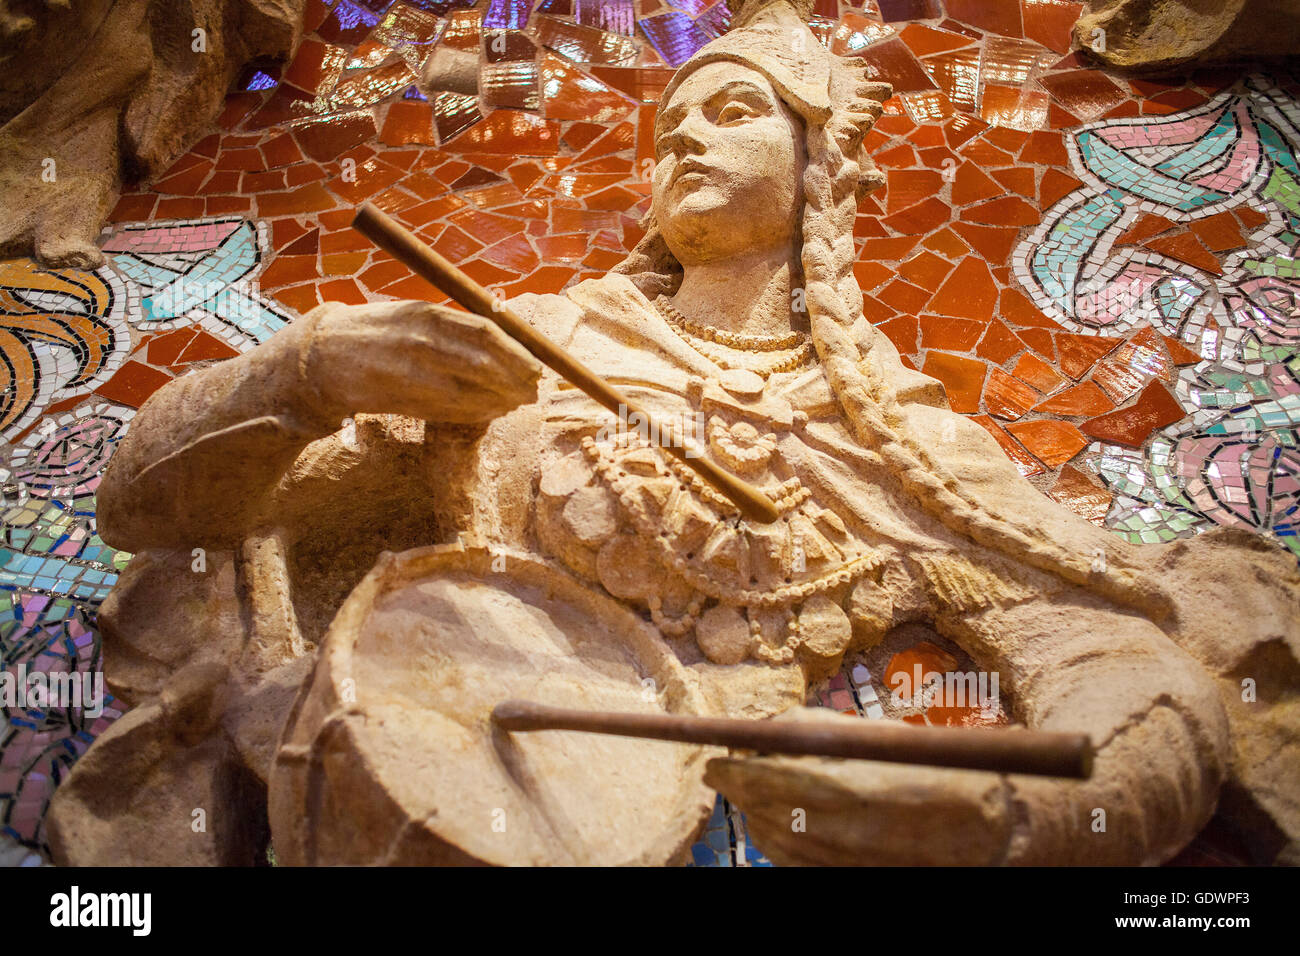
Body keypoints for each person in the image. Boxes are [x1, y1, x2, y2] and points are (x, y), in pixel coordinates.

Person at [60, 0, 1298, 865]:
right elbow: (152, 516)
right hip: (441, 795)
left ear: (822, 170)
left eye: (735, 110)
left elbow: (1135, 670)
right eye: (669, 130)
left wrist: (1000, 813)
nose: (686, 139)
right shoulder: (534, 348)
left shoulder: (906, 439)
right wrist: (303, 370)